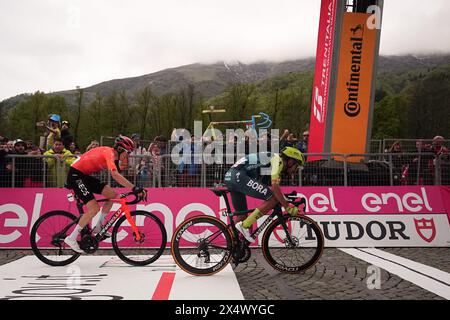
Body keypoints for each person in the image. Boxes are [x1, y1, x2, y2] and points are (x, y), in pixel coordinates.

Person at [64, 135, 146, 253]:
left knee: (112, 196)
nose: (128, 155)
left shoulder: (116, 157)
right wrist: (134, 188)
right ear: (119, 149)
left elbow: (122, 171)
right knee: (94, 208)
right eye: (127, 152)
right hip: (75, 176)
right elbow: (115, 175)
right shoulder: (109, 154)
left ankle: (99, 227)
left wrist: (135, 187)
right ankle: (71, 238)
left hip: (83, 176)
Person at [224, 146, 306, 242]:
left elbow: (271, 187)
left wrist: (284, 200)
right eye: (297, 167)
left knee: (241, 217)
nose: (295, 171)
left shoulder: (270, 163)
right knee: (272, 199)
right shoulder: (278, 160)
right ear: (291, 162)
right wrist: (287, 206)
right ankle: (244, 226)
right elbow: (275, 188)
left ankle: (230, 248)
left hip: (232, 177)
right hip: (239, 176)